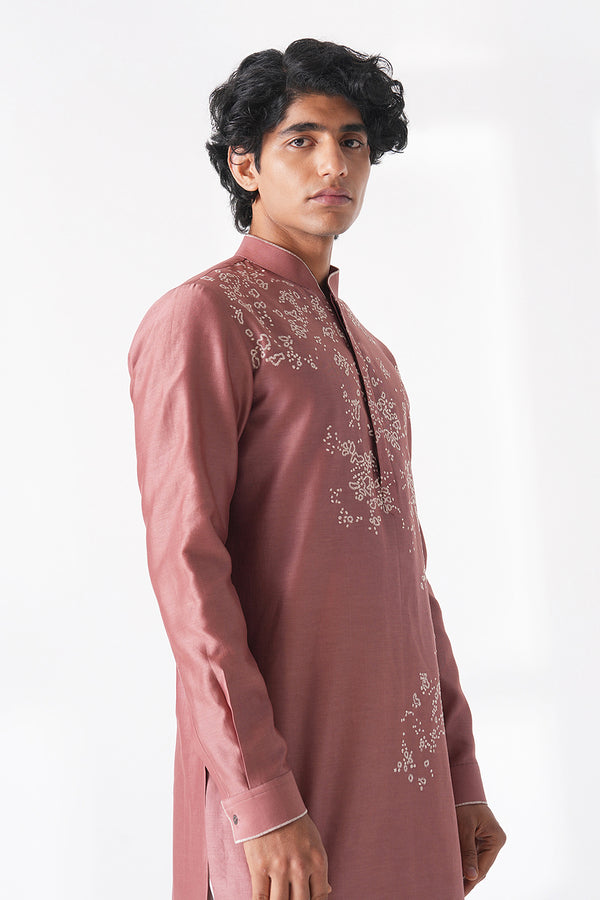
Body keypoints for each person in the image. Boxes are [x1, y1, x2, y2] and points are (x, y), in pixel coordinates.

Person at [128, 37, 506, 900]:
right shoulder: (204, 317)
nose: (334, 163)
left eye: (353, 141)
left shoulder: (374, 355)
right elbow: (187, 569)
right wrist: (261, 801)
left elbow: (407, 577)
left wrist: (461, 775)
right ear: (245, 165)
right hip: (285, 782)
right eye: (302, 139)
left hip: (406, 783)